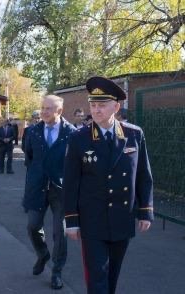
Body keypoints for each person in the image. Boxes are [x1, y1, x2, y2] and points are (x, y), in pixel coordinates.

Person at [63, 76, 153, 294]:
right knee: (97, 278)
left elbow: (143, 174)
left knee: (112, 275)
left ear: (116, 106)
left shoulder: (133, 134)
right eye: (93, 105)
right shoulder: (79, 138)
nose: (96, 110)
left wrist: (145, 210)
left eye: (102, 105)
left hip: (122, 216)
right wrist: (71, 220)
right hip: (92, 220)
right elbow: (71, 182)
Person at [23, 95, 76, 290]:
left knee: (59, 232)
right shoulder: (33, 131)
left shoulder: (72, 133)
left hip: (60, 189)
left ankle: (57, 271)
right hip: (37, 187)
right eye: (43, 108)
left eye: (49, 109)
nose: (44, 112)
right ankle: (42, 254)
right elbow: (29, 157)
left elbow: (74, 163)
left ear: (59, 111)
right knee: (32, 225)